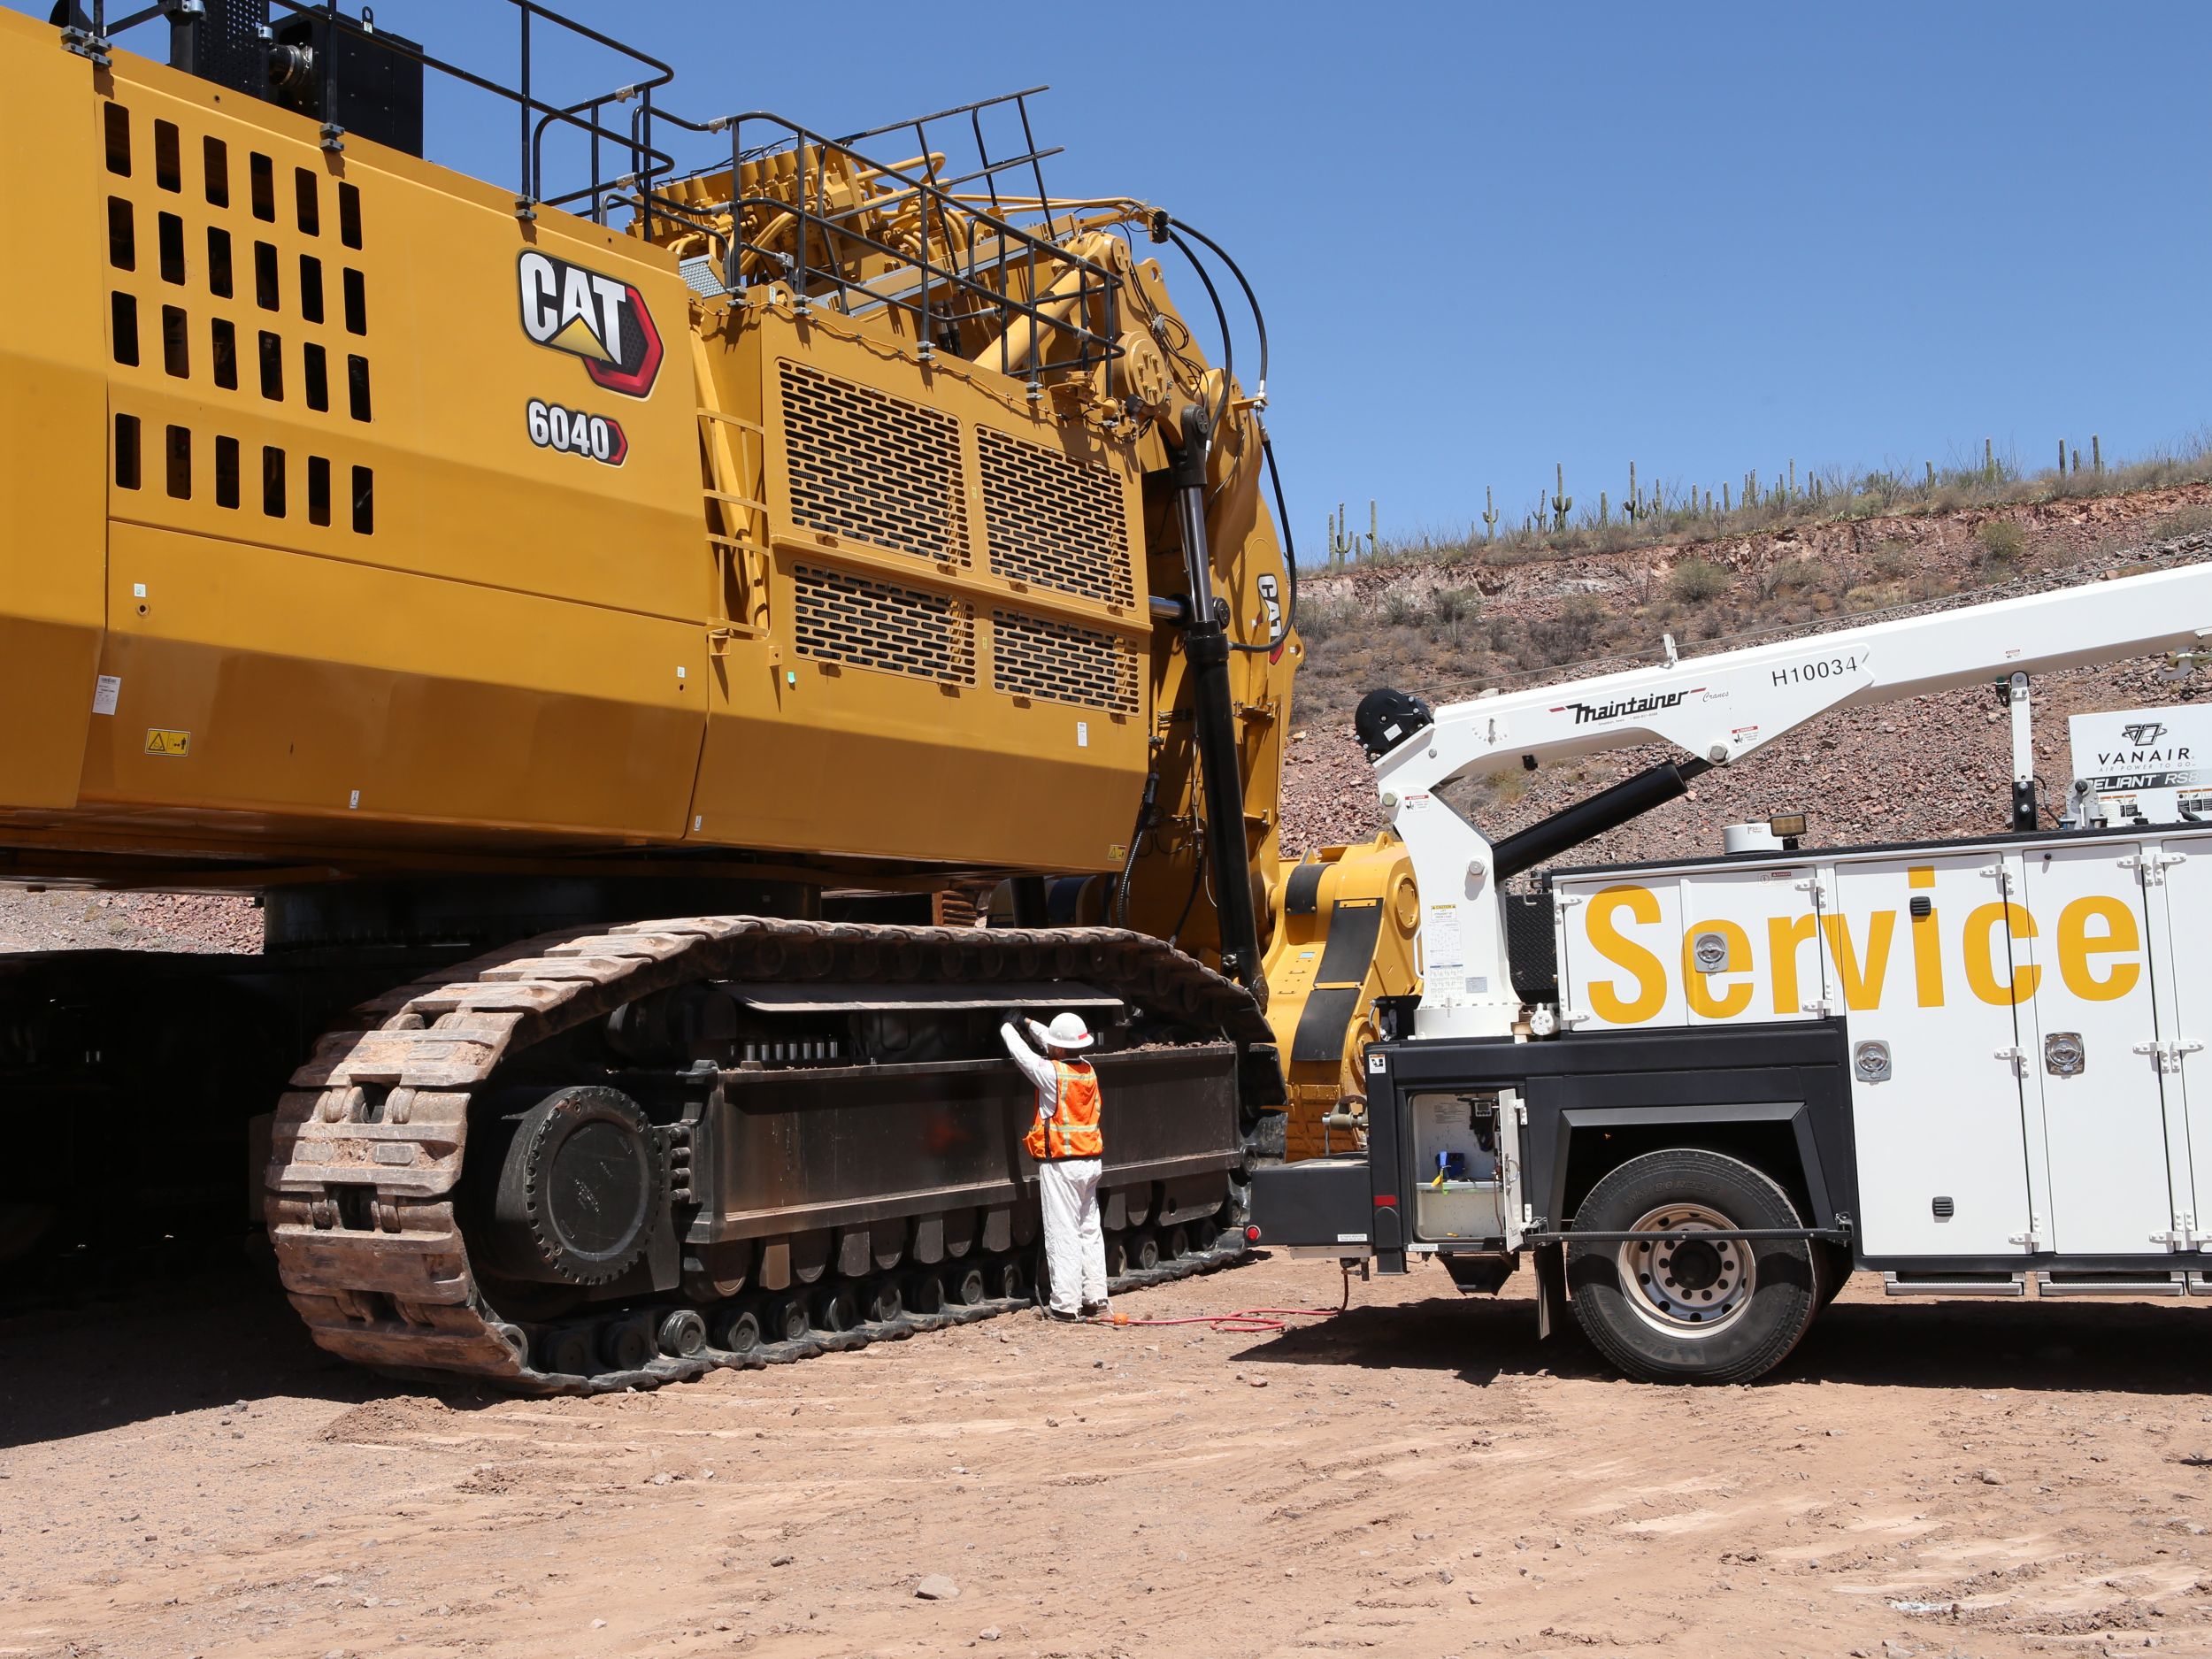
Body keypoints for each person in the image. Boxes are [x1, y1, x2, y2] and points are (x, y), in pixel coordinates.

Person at [999, 1010, 1109, 1322]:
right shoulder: (1087, 1070)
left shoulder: (1051, 1073)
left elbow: (1023, 1056)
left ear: (1058, 1048)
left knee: (1063, 1233)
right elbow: (1055, 1040)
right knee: (1089, 1231)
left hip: (1061, 1164)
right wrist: (1029, 1024)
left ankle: (1065, 1305)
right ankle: (1096, 1297)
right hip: (1090, 1163)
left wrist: (1008, 1027)